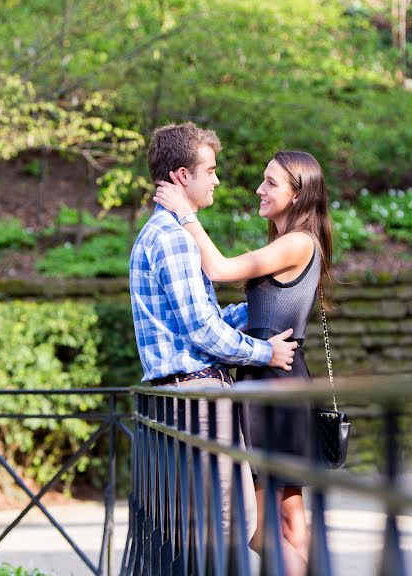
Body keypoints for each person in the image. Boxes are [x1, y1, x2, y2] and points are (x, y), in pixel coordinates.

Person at [153, 150, 333, 576]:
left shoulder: (297, 242)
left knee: (266, 525)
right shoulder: (289, 242)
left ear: (297, 193)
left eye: (271, 182)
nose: (260, 189)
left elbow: (217, 269)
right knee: (289, 521)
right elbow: (258, 313)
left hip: (274, 385)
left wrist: (184, 214)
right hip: (273, 379)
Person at [129, 122, 299, 542]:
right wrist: (264, 353)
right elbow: (203, 331)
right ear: (183, 176)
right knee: (227, 527)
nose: (217, 180)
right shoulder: (173, 238)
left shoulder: (162, 234)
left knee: (199, 533)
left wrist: (260, 309)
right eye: (210, 171)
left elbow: (201, 318)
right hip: (198, 398)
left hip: (182, 397)